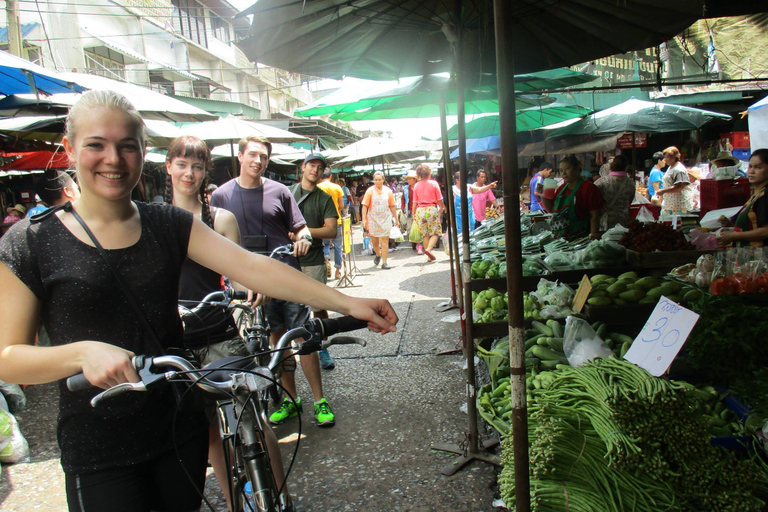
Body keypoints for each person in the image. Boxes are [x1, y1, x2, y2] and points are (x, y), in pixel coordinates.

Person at [0, 90, 398, 512]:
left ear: (143, 153)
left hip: (177, 428)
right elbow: (8, 358)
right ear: (70, 148)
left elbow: (253, 267)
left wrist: (346, 303)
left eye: (127, 146)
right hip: (99, 446)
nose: (113, 159)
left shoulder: (167, 223)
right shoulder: (30, 241)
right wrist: (81, 353)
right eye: (96, 144)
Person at [210, 137, 339, 428]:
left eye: (264, 157)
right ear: (240, 157)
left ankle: (320, 400)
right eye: (253, 155)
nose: (258, 161)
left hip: (285, 276)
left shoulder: (280, 191)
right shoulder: (220, 196)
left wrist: (305, 239)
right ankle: (291, 400)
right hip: (249, 284)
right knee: (274, 342)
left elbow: (301, 228)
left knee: (302, 336)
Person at [164, 134, 264, 511]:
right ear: (168, 167)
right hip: (176, 341)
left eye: (197, 165)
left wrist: (252, 288)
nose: (189, 172)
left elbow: (237, 272)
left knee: (249, 419)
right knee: (206, 434)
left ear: (207, 171)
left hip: (219, 332)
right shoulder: (154, 220)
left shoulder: (220, 219)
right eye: (182, 163)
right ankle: (239, 501)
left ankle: (275, 492)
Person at [290, 154, 341, 371]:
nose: (315, 170)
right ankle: (289, 351)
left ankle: (322, 347)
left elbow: (331, 230)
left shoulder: (324, 198)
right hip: (287, 260)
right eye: (312, 165)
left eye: (320, 167)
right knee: (289, 308)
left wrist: (304, 232)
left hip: (313, 260)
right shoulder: (287, 193)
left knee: (319, 308)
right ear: (303, 167)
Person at [543, 155, 604, 239]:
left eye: (567, 168)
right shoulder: (561, 189)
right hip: (560, 242)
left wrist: (592, 238)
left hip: (580, 240)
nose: (563, 173)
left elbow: (594, 215)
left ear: (577, 169)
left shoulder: (588, 188)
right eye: (561, 170)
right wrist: (543, 193)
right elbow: (551, 209)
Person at [718, 149, 768, 247]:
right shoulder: (756, 194)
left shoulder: (765, 195)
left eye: (758, 167)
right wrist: (733, 227)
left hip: (759, 256)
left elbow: (766, 231)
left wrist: (734, 235)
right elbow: (753, 227)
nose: (751, 171)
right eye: (750, 166)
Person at [362, 171, 399, 269]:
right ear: (373, 180)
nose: (378, 182)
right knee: (374, 241)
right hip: (373, 218)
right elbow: (364, 206)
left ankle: (384, 262)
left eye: (379, 180)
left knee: (385, 240)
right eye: (376, 180)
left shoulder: (388, 191)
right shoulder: (370, 191)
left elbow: (392, 206)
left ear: (383, 180)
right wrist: (363, 219)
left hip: (386, 218)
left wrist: (396, 218)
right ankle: (378, 254)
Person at [411, 164, 445, 262]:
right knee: (436, 233)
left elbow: (414, 201)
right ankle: (429, 250)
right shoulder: (434, 183)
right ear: (429, 173)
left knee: (425, 234)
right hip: (431, 209)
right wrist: (442, 207)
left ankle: (429, 256)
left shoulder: (417, 185)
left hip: (420, 211)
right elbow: (440, 199)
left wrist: (413, 213)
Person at [317, 169, 344, 281]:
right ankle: (338, 271)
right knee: (338, 246)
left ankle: (327, 260)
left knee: (325, 244)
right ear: (331, 176)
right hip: (336, 220)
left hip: (322, 222)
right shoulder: (337, 187)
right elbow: (341, 205)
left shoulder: (317, 188)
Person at [595, 155, 635, 230]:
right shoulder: (631, 183)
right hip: (624, 221)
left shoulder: (603, 181)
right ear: (626, 167)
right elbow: (630, 200)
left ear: (611, 167)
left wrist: (601, 204)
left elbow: (591, 194)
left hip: (607, 220)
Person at [655, 146, 693, 214]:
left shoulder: (679, 170)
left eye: (667, 157)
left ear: (674, 157)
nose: (665, 159)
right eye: (665, 157)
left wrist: (663, 191)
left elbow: (679, 187)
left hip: (679, 205)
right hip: (670, 205)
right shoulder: (670, 168)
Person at [401, 170, 420, 252]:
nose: (408, 180)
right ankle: (413, 241)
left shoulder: (419, 188)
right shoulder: (405, 189)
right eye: (407, 179)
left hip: (418, 210)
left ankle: (419, 243)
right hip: (409, 210)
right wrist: (403, 208)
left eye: (410, 179)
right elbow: (403, 199)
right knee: (409, 227)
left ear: (414, 179)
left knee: (419, 227)